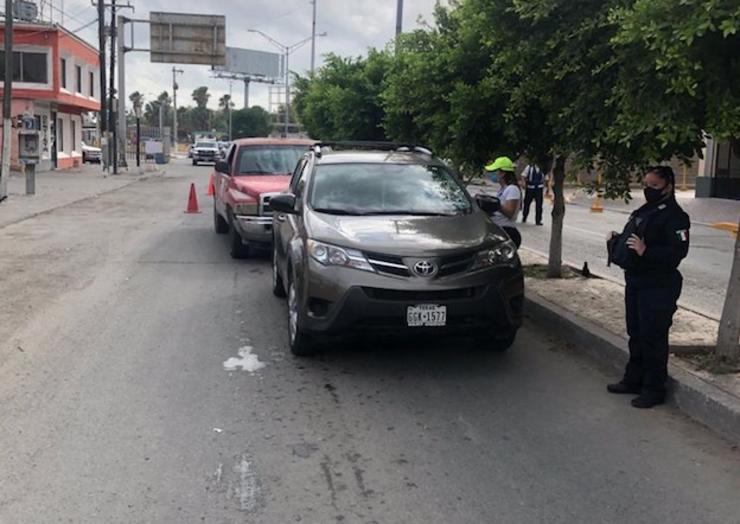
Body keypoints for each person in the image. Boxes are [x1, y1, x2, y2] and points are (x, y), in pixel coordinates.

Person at [606, 166, 690, 409]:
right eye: (646, 184)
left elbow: (677, 253)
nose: (648, 190)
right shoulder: (645, 210)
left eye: (654, 186)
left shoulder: (675, 216)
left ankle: (654, 388)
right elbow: (633, 236)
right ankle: (634, 379)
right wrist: (617, 240)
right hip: (636, 280)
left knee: (653, 337)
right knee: (636, 333)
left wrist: (647, 251)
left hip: (659, 284)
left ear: (668, 187)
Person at [483, 156, 522, 247]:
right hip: (497, 228)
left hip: (506, 230)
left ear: (502, 173)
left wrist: (495, 204)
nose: (492, 174)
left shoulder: (512, 189)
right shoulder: (503, 189)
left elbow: (510, 213)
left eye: (495, 171)